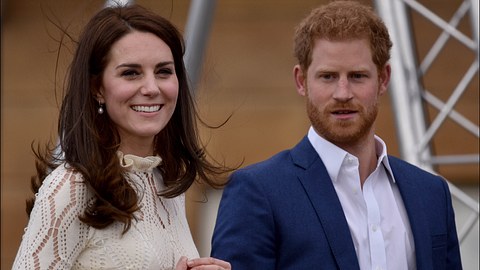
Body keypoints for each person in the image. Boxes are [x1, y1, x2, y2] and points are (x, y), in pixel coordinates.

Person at [211, 1, 463, 269]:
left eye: (357, 76)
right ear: (301, 81)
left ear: (383, 78)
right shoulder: (257, 192)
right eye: (328, 76)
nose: (343, 93)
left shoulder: (431, 193)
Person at [13, 4, 231, 270]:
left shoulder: (167, 184)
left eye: (163, 71)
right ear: (97, 88)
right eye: (130, 73)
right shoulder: (70, 188)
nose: (151, 88)